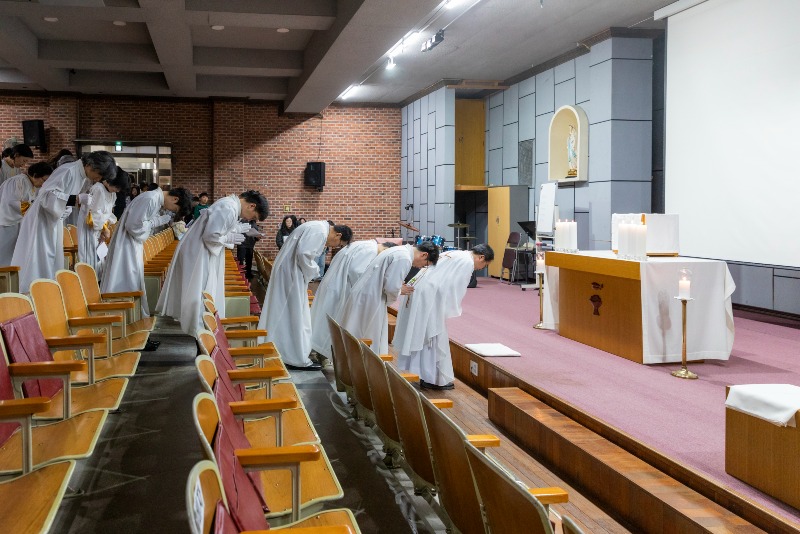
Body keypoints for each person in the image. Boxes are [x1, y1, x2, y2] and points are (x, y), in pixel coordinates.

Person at [156, 190, 268, 336]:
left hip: (199, 250)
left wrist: (235, 229)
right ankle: (198, 328)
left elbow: (218, 227)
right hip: (198, 252)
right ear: (251, 206)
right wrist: (228, 238)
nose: (249, 219)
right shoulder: (229, 208)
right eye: (253, 217)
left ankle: (199, 326)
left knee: (201, 288)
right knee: (199, 289)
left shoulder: (230, 205)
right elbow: (211, 236)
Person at [11, 151, 117, 293]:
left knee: (51, 261)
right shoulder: (69, 170)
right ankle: (30, 296)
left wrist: (73, 203)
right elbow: (47, 196)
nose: (98, 179)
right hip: (40, 222)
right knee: (36, 261)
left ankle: (46, 294)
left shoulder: (81, 175)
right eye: (99, 175)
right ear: (91, 166)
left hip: (53, 221)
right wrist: (76, 199)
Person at [394, 244, 494, 390]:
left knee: (425, 334)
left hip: (421, 289)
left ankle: (427, 375)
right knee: (432, 336)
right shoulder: (467, 262)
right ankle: (432, 379)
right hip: (430, 296)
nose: (481, 268)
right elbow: (455, 288)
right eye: (485, 264)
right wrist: (448, 307)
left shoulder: (457, 253)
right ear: (481, 257)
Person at [258, 221, 352, 371]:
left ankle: (285, 352)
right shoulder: (319, 231)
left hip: (290, 273)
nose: (334, 246)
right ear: (338, 235)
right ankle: (295, 358)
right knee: (294, 315)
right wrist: (315, 271)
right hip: (292, 275)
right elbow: (304, 255)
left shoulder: (317, 227)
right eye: (339, 244)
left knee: (288, 315)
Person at [101, 186, 192, 318]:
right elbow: (133, 226)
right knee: (124, 280)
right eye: (175, 209)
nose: (170, 211)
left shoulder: (154, 199)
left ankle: (130, 318)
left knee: (131, 280)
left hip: (131, 244)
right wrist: (156, 221)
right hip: (126, 245)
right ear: (175, 199)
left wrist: (154, 222)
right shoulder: (151, 199)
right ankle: (119, 318)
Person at [339, 241, 438, 357]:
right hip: (371, 299)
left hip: (366, 296)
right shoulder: (404, 258)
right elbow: (391, 287)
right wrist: (400, 290)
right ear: (424, 255)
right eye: (425, 264)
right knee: (366, 335)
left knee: (356, 330)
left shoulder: (400, 251)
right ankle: (362, 364)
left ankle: (351, 361)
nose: (420, 267)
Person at [309, 239, 396, 362]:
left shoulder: (363, 244)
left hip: (335, 286)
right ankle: (322, 355)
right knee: (331, 323)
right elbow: (358, 272)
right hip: (340, 289)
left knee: (325, 322)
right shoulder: (370, 250)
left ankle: (320, 354)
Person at [77, 166, 129, 272]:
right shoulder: (98, 189)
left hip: (99, 230)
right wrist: (104, 229)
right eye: (117, 187)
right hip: (90, 229)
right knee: (90, 258)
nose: (117, 190)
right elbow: (94, 214)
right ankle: (89, 279)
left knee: (99, 259)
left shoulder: (112, 194)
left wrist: (105, 227)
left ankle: (98, 279)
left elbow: (108, 213)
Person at [0, 162, 52, 267]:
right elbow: (11, 202)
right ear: (35, 174)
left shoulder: (30, 183)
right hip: (7, 222)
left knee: (13, 256)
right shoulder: (19, 181)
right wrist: (34, 207)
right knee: (4, 255)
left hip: (17, 223)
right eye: (44, 180)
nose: (43, 184)